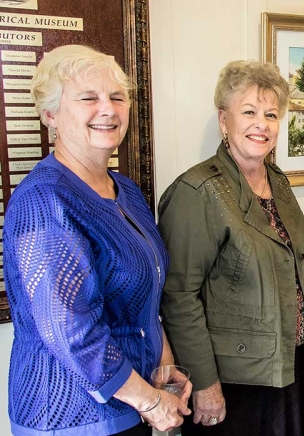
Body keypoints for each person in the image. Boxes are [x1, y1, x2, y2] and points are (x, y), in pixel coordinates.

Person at [3, 45, 191, 436]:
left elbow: (146, 296)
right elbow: (71, 332)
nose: (107, 108)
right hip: (70, 415)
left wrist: (164, 365)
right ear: (50, 114)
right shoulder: (44, 200)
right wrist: (151, 401)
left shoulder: (125, 190)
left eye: (117, 97)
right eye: (89, 98)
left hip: (130, 403)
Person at [157, 60, 304, 436]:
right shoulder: (196, 192)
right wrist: (205, 384)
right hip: (235, 382)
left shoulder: (278, 182)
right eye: (248, 112)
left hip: (289, 367)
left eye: (271, 114)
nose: (261, 124)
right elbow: (179, 297)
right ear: (223, 120)